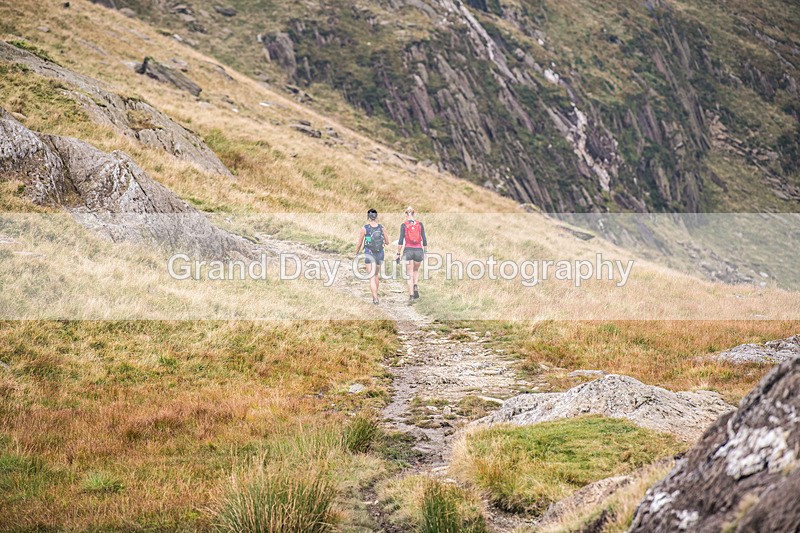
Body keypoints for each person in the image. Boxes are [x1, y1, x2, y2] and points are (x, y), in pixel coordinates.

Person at [355, 208, 387, 305]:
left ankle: (375, 298)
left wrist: (356, 253)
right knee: (376, 275)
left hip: (369, 253)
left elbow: (360, 243)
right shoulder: (382, 228)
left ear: (368, 217)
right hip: (380, 253)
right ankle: (376, 295)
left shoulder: (365, 229)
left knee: (371, 277)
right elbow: (387, 242)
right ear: (376, 216)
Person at [396, 206, 427, 302]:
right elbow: (424, 239)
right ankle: (415, 285)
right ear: (414, 213)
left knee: (409, 274)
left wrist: (398, 253)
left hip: (408, 250)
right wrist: (425, 252)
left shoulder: (404, 225)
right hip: (419, 250)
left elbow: (400, 241)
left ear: (406, 214)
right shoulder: (420, 224)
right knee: (416, 270)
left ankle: (411, 296)